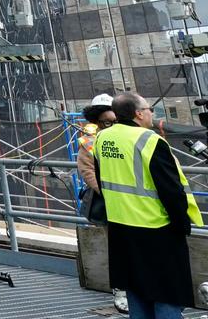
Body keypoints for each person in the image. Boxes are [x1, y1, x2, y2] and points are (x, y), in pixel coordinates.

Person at [94, 92, 202, 319]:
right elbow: (170, 190)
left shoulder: (103, 138)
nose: (152, 112)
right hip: (156, 229)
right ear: (138, 113)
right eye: (149, 108)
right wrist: (182, 223)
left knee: (135, 290)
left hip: (120, 227)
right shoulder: (150, 140)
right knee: (166, 293)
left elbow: (101, 179)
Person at [78, 93, 127, 313]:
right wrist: (108, 192)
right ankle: (121, 289)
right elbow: (87, 170)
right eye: (107, 121)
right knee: (118, 246)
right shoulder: (91, 141)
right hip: (112, 203)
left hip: (134, 203)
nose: (111, 124)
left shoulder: (126, 134)